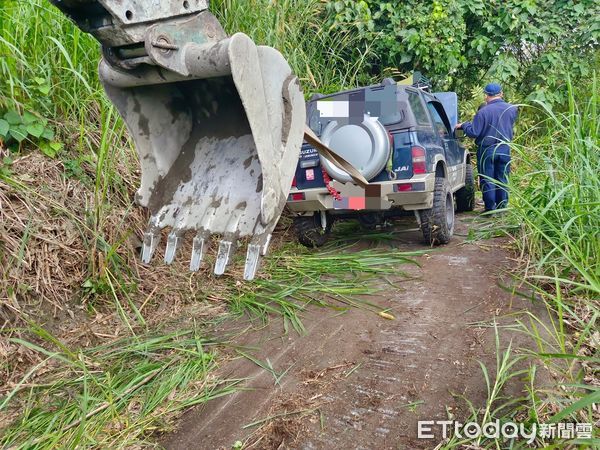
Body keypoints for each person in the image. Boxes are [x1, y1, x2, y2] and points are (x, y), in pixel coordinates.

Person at [455, 83, 518, 212]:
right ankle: (502, 208)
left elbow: (474, 132)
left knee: (487, 179)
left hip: (487, 150)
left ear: (486, 96)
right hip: (504, 148)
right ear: (501, 94)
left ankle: (490, 209)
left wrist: (465, 125)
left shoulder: (483, 112)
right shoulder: (512, 109)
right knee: (502, 178)